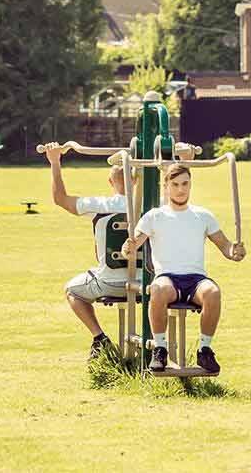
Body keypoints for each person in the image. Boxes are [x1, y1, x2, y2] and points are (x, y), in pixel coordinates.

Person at [44, 141, 197, 360]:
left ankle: (100, 338)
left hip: (109, 283)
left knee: (72, 290)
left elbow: (60, 199)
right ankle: (161, 349)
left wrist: (55, 162)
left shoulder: (99, 205)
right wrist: (186, 159)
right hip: (149, 282)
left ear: (110, 181)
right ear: (135, 179)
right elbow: (180, 193)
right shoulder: (155, 205)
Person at [122, 164, 245, 373]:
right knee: (158, 289)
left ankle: (205, 351)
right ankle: (160, 350)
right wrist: (129, 248)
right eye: (176, 184)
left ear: (190, 185)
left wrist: (235, 251)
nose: (181, 189)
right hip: (168, 278)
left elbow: (225, 246)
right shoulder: (154, 216)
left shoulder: (203, 215)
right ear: (166, 186)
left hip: (196, 279)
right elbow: (133, 247)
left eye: (185, 184)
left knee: (213, 292)